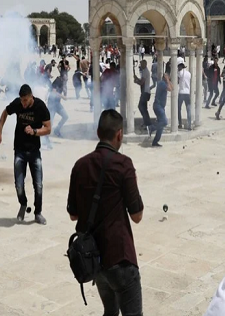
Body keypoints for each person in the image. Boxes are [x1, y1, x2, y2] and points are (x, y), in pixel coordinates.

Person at [67, 109, 144, 316]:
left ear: (98, 131)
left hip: (95, 259)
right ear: (120, 134)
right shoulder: (123, 165)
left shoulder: (80, 165)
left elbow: (73, 214)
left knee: (110, 312)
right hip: (120, 256)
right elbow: (137, 216)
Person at [0, 84, 51, 224]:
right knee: (19, 184)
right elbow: (4, 113)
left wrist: (35, 131)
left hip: (34, 151)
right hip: (19, 150)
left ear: (31, 96)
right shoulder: (17, 104)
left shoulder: (40, 106)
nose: (23, 104)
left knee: (38, 185)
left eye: (26, 100)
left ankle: (38, 212)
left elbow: (48, 129)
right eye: (22, 101)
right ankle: (23, 204)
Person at [152, 71, 171, 148]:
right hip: (158, 106)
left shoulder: (164, 83)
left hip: (160, 107)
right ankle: (151, 128)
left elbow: (172, 88)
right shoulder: (162, 83)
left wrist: (169, 81)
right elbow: (170, 89)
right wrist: (168, 80)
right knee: (165, 122)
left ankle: (155, 141)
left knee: (161, 126)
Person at [133, 59, 153, 135]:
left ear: (145, 64)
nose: (140, 65)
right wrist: (136, 78)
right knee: (144, 108)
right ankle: (146, 122)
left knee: (141, 107)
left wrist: (136, 81)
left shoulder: (145, 72)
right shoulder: (144, 71)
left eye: (141, 64)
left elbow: (142, 82)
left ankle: (148, 123)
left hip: (145, 92)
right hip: (145, 92)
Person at [47, 75, 69, 140]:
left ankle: (57, 130)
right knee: (50, 122)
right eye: (66, 78)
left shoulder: (62, 83)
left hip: (57, 104)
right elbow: (54, 92)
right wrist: (62, 96)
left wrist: (65, 91)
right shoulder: (57, 81)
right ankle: (46, 138)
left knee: (65, 116)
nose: (67, 79)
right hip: (52, 104)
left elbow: (63, 92)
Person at [177, 63, 192, 130]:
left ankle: (180, 123)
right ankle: (189, 124)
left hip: (181, 92)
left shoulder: (179, 73)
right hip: (187, 92)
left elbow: (177, 81)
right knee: (188, 109)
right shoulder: (189, 73)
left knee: (179, 109)